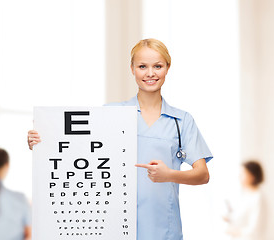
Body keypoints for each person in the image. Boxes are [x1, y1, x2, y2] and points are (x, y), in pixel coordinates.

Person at [27, 38, 213, 240]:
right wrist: (42, 141)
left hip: (164, 230)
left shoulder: (181, 121)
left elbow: (202, 175)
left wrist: (168, 175)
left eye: (157, 66)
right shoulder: (112, 114)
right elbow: (76, 151)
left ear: (168, 68)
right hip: (114, 227)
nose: (150, 73)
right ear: (132, 69)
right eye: (142, 66)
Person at [223, 160, 264, 240]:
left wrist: (236, 232)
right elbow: (241, 217)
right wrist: (230, 218)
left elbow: (256, 228)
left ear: (252, 176)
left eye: (243, 174)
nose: (239, 176)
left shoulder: (258, 198)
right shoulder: (245, 195)